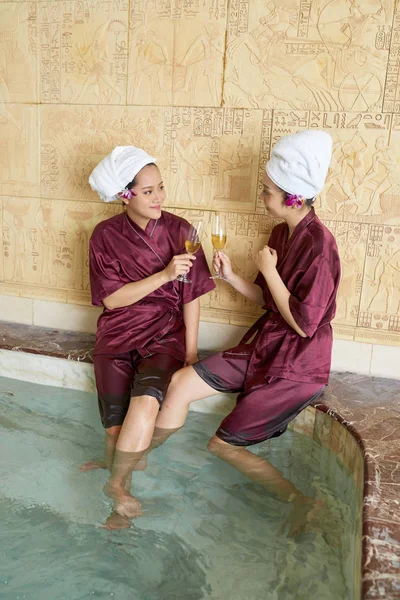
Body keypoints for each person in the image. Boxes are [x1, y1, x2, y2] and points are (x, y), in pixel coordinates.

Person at [154, 130, 341, 534]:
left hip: (297, 365)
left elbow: (305, 324)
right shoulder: (281, 233)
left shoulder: (321, 247)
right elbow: (267, 298)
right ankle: (147, 460)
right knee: (182, 383)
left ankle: (299, 499)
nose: (263, 193)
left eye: (269, 188)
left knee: (220, 445)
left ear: (293, 195)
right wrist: (233, 277)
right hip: (266, 345)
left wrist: (271, 272)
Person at [82, 146, 215, 528]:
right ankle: (117, 494)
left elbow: (192, 295)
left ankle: (115, 484)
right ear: (126, 195)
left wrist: (190, 352)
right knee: (113, 430)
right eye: (148, 191)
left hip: (164, 334)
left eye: (161, 187)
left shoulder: (181, 230)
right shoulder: (104, 235)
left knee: (144, 406)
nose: (159, 197)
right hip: (118, 333)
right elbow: (111, 298)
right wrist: (162, 275)